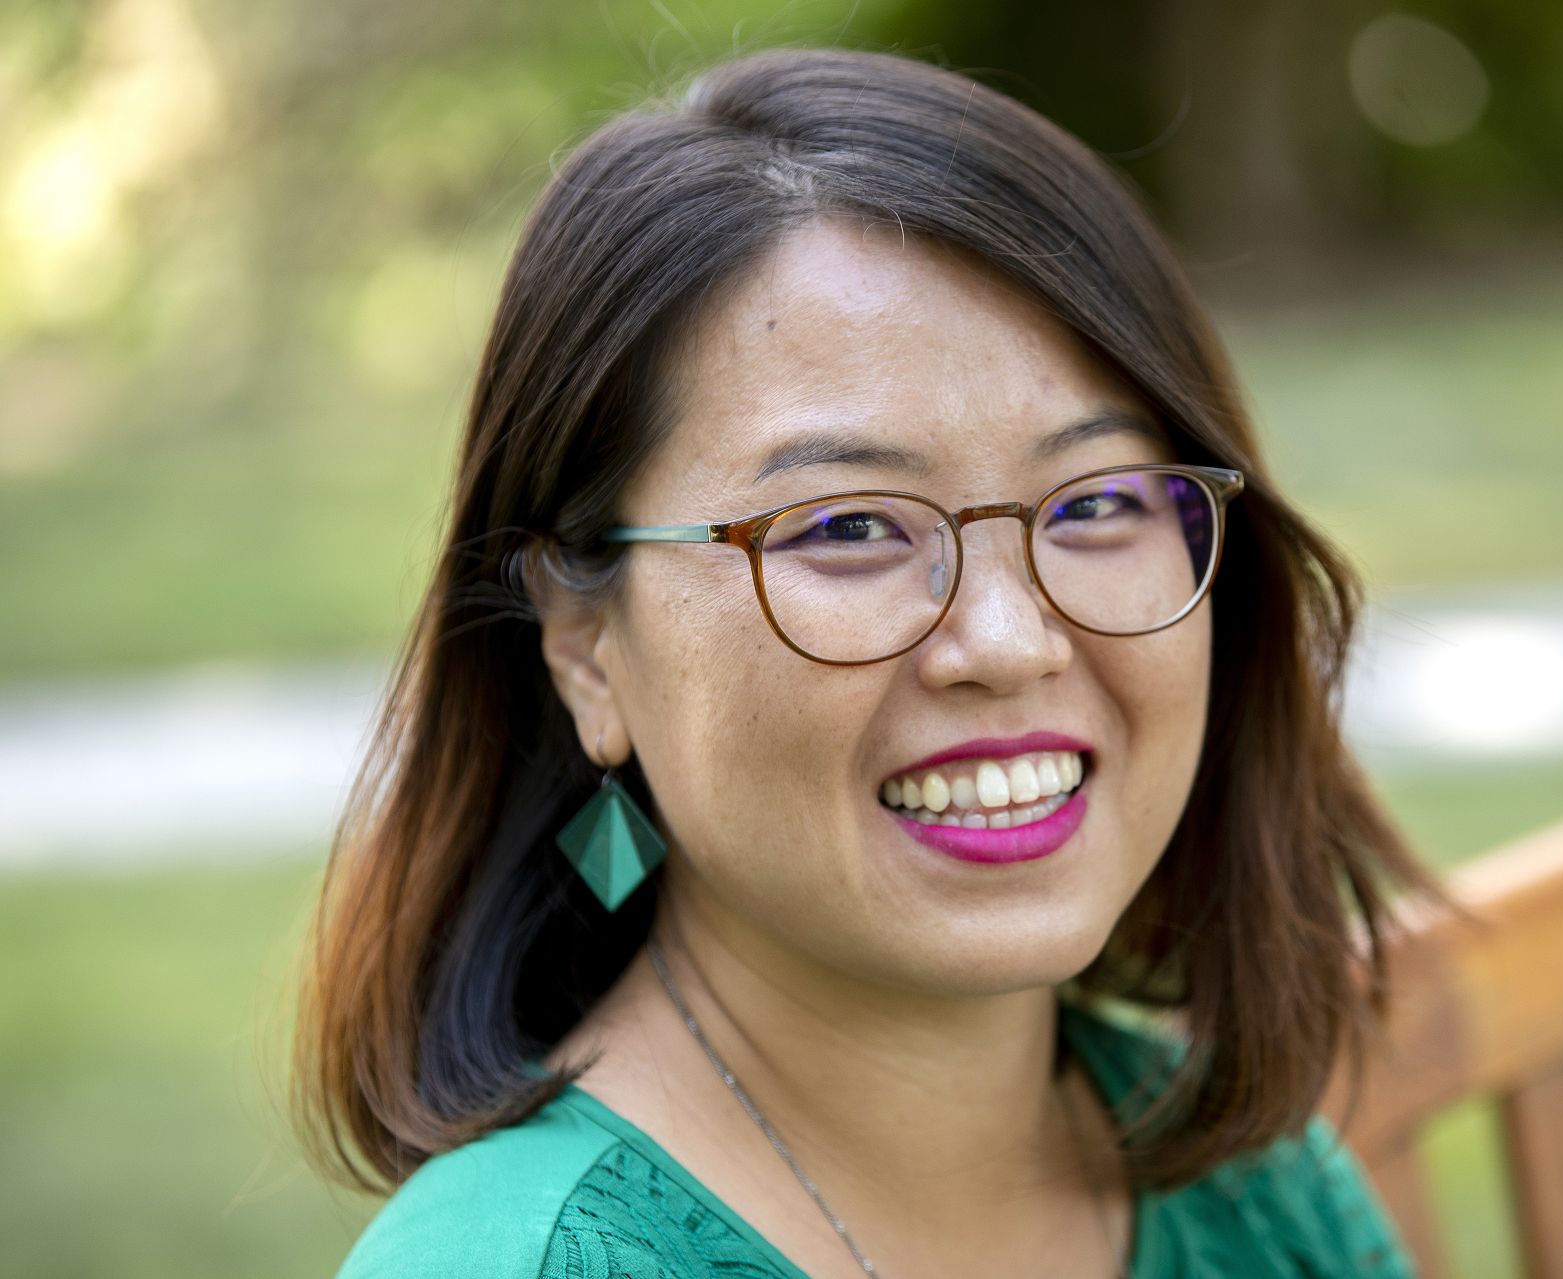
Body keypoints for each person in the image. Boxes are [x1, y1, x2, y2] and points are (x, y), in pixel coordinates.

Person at [293, 45, 1447, 1279]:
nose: (1006, 642)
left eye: (1097, 503)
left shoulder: (1254, 1192)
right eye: (848, 528)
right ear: (584, 642)